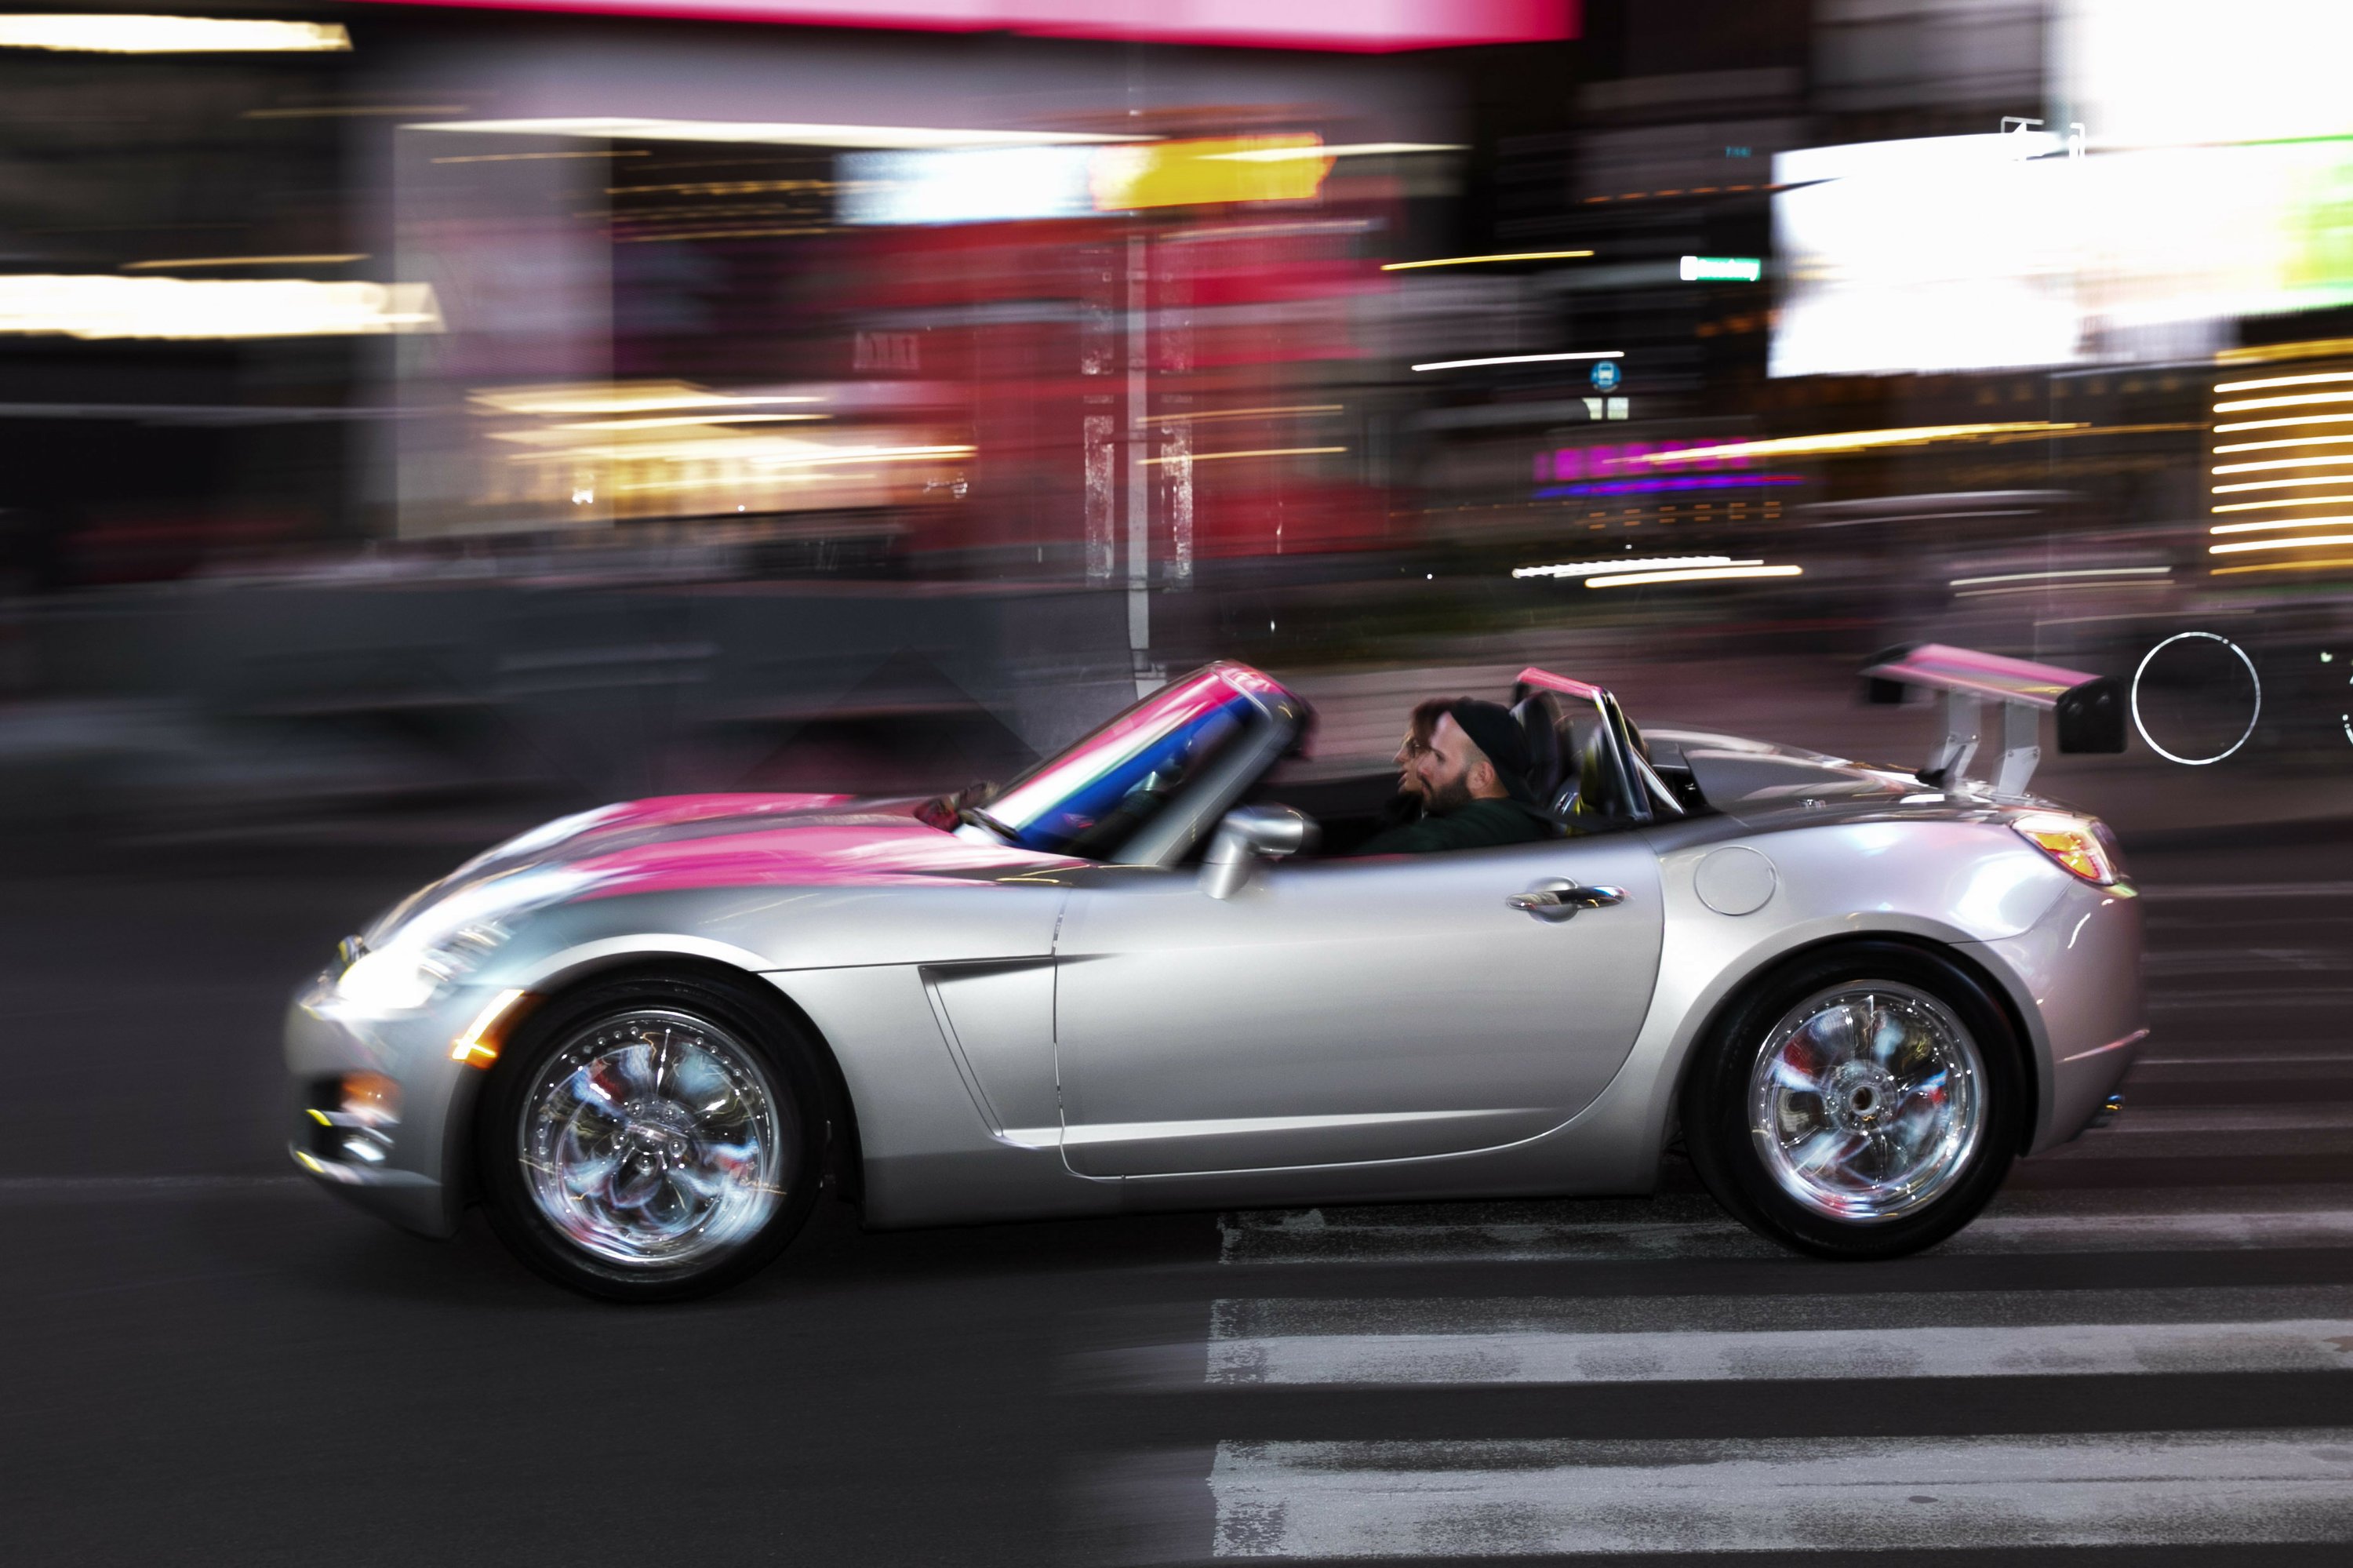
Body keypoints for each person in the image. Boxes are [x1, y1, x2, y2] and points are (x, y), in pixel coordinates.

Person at [1354, 697, 1562, 854]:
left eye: (1439, 757)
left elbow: (1433, 839)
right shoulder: (1499, 814)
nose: (1422, 767)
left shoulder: (1494, 825)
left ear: (1480, 776)